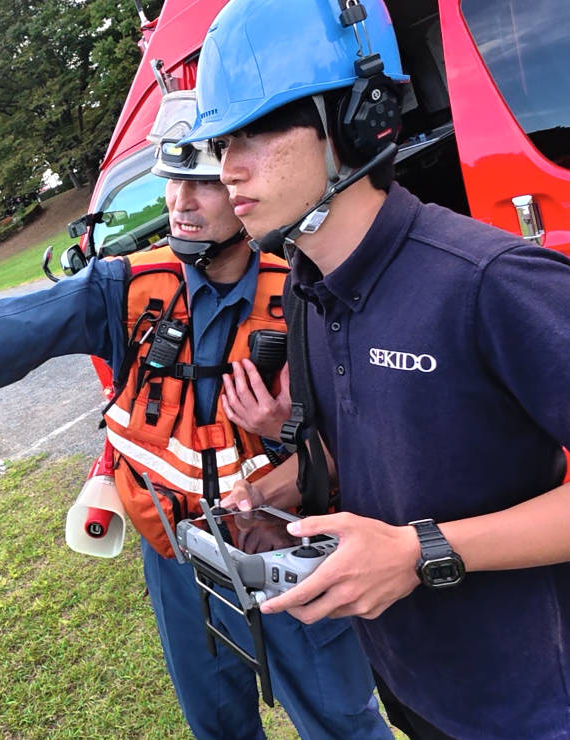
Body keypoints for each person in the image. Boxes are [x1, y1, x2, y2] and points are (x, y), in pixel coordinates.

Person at [0, 91, 391, 739]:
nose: (179, 203)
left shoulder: (307, 289)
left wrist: (289, 425)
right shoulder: (126, 288)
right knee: (218, 726)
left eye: (202, 185)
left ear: (239, 185)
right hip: (178, 561)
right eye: (172, 182)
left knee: (341, 721)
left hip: (287, 551)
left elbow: (380, 432)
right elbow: (1, 334)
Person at [186, 0, 570, 737]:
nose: (228, 168)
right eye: (221, 140)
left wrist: (419, 552)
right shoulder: (305, 287)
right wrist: (284, 483)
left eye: (260, 130)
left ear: (362, 117)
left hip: (529, 705)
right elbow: (393, 437)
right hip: (411, 686)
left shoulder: (488, 281)